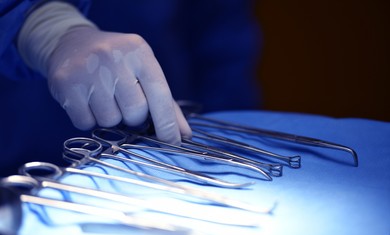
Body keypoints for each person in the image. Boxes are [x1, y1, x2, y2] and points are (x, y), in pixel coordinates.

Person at [0, 0, 261, 176]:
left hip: (164, 158)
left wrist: (226, 144)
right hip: (20, 145)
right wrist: (38, 23)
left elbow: (219, 42)